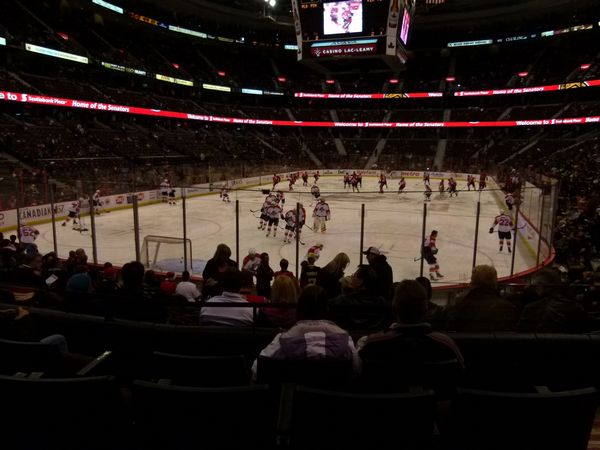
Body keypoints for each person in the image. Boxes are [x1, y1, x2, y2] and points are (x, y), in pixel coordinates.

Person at [357, 280, 464, 385]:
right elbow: (461, 372)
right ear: (426, 310)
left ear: (394, 308)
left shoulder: (373, 344)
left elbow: (358, 375)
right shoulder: (446, 343)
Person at [251, 285, 360, 379]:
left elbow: (257, 370)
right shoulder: (346, 342)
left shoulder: (281, 341)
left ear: (299, 309)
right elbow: (357, 371)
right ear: (327, 309)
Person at [442, 265, 517, 332]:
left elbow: (451, 328)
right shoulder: (507, 307)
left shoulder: (462, 305)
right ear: (494, 282)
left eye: (471, 280)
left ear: (473, 283)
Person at [517, 269, 589, 333]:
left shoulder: (531, 309)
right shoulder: (576, 307)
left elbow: (521, 333)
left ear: (541, 285)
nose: (535, 289)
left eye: (535, 286)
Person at [329, 265, 390, 331]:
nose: (351, 277)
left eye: (354, 275)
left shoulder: (343, 300)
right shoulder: (381, 302)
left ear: (360, 281)